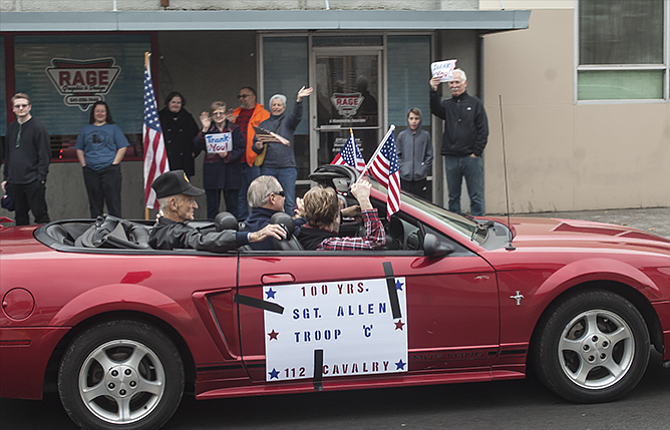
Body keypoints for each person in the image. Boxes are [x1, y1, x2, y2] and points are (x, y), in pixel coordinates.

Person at [149, 170, 285, 252]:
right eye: (190, 200)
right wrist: (253, 236)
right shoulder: (172, 233)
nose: (195, 206)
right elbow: (202, 240)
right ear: (173, 204)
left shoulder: (165, 229)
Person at [430, 68, 489, 216]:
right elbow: (436, 110)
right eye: (451, 82)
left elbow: (483, 130)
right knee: (453, 197)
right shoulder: (447, 104)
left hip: (470, 158)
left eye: (457, 82)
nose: (454, 85)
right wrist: (433, 90)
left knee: (476, 196)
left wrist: (476, 152)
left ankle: (479, 225)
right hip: (451, 158)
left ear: (465, 83)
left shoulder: (475, 104)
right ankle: (455, 228)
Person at [253, 86, 313, 215]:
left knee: (289, 201)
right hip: (267, 167)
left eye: (279, 105)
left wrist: (299, 100)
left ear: (283, 108)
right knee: (267, 199)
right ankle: (270, 225)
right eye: (274, 105)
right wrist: (257, 146)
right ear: (270, 107)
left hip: (287, 168)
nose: (276, 107)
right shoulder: (263, 124)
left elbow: (297, 116)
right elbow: (255, 146)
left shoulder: (288, 122)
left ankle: (290, 227)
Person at [296, 176, 385, 251]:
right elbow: (375, 241)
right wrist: (363, 199)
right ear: (334, 217)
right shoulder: (326, 244)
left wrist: (344, 213)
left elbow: (316, 217)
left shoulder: (301, 230)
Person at [1, 93, 51, 225]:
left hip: (33, 180)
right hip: (15, 181)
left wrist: (40, 178)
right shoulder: (11, 128)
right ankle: (23, 246)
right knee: (20, 218)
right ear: (13, 109)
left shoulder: (38, 127)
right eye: (18, 106)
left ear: (29, 107)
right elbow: (8, 154)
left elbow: (45, 155)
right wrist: (6, 178)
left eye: (24, 105)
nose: (21, 108)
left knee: (41, 216)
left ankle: (44, 245)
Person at [75, 101, 128, 218]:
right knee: (95, 205)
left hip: (110, 172)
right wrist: (84, 165)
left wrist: (114, 164)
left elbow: (122, 147)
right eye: (97, 111)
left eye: (102, 111)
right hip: (91, 171)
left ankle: (115, 231)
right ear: (93, 113)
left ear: (106, 113)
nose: (100, 113)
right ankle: (96, 231)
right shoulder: (86, 129)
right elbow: (79, 149)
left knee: (113, 204)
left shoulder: (114, 128)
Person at [194, 101, 245, 221]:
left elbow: (241, 147)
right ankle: (211, 232)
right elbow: (197, 145)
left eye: (221, 113)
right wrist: (204, 129)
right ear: (211, 115)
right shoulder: (209, 129)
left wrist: (228, 154)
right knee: (212, 207)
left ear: (226, 114)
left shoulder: (234, 128)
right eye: (215, 113)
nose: (218, 115)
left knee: (232, 207)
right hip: (213, 172)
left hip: (231, 172)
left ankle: (233, 232)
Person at [231, 86, 270, 220]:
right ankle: (242, 222)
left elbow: (268, 135)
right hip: (237, 159)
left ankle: (258, 220)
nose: (241, 98)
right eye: (239, 96)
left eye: (244, 96)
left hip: (254, 160)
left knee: (258, 194)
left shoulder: (263, 113)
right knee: (240, 195)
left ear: (253, 97)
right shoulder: (235, 113)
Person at [243, 175, 306, 250]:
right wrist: (307, 216)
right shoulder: (277, 230)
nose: (284, 198)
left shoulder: (245, 229)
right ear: (272, 198)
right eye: (282, 194)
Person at [158, 91, 200, 177]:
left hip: (184, 161)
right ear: (168, 103)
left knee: (184, 188)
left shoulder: (187, 118)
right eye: (173, 102)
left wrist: (194, 152)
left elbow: (197, 137)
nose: (176, 105)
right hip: (166, 161)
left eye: (178, 103)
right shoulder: (160, 117)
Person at [397, 107, 433, 199]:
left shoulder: (425, 136)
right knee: (406, 202)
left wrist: (423, 168)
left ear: (420, 120)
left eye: (416, 119)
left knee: (420, 201)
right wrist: (403, 167)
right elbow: (397, 154)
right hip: (405, 177)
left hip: (420, 177)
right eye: (411, 118)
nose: (414, 121)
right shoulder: (402, 136)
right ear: (408, 119)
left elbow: (429, 155)